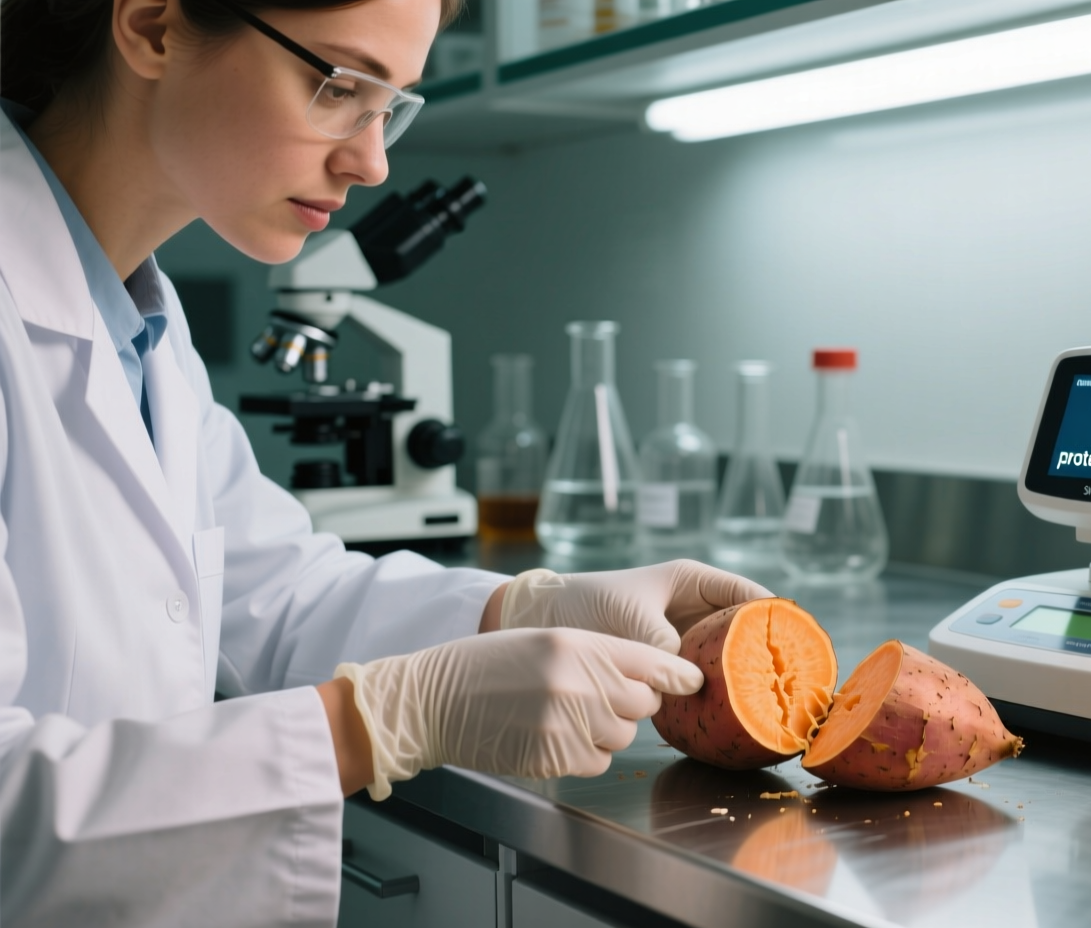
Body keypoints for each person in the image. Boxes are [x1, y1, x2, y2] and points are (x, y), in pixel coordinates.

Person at [0, 0, 772, 921]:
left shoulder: (143, 333)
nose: (372, 161)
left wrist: (521, 605)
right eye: (339, 85)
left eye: (391, 106)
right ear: (156, 24)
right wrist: (374, 723)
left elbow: (280, 596)